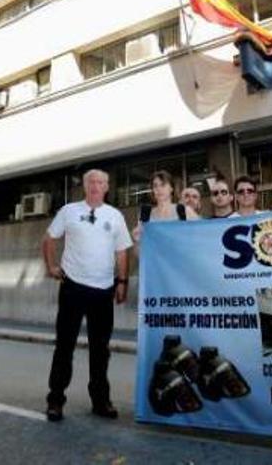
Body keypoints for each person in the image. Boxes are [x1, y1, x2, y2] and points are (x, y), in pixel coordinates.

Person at [42, 169, 133, 422]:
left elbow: (123, 252)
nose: (96, 186)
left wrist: (122, 282)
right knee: (64, 346)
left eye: (101, 182)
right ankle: (55, 400)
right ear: (85, 186)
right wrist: (51, 266)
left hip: (103, 290)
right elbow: (49, 239)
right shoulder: (69, 211)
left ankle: (101, 401)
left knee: (100, 349)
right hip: (72, 287)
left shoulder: (115, 216)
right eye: (91, 181)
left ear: (107, 187)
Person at [132, 170, 199, 243]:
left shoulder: (185, 211)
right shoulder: (145, 214)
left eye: (163, 185)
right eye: (155, 186)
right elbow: (139, 251)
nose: (159, 189)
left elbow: (201, 236)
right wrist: (137, 239)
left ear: (171, 188)